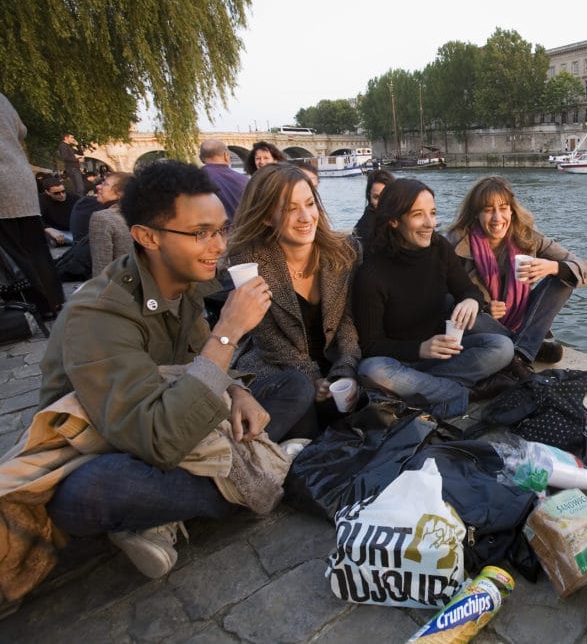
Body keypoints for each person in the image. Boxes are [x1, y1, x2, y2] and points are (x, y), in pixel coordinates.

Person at [39, 159, 315, 579]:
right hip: (124, 446)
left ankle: (167, 509)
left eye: (221, 230)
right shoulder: (96, 314)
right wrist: (229, 331)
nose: (219, 246)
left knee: (293, 386)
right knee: (87, 492)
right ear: (147, 237)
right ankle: (262, 475)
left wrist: (238, 393)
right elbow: (157, 439)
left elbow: (195, 366)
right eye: (200, 234)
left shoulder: (185, 284)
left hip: (184, 423)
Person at [353, 178, 514, 418]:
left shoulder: (439, 247)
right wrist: (420, 349)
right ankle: (464, 393)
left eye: (433, 212)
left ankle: (428, 391)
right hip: (402, 362)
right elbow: (371, 346)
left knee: (502, 346)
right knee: (373, 370)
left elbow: (468, 290)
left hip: (442, 356)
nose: (431, 223)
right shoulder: (372, 275)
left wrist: (471, 301)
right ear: (394, 220)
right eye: (418, 214)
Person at [228, 163, 360, 429]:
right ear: (266, 217)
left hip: (333, 361)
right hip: (279, 366)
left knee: (354, 409)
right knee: (306, 415)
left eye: (310, 204)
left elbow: (347, 320)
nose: (305, 217)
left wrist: (345, 368)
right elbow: (267, 339)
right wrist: (312, 377)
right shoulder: (249, 263)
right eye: (290, 209)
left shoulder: (344, 253)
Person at [448, 175, 587, 376]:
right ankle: (525, 351)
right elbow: (440, 293)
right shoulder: (456, 241)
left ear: (512, 210)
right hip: (481, 322)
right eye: (488, 210)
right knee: (461, 311)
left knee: (563, 280)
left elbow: (586, 269)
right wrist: (483, 306)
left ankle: (518, 354)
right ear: (476, 214)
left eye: (503, 208)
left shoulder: (528, 236)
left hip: (520, 319)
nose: (497, 218)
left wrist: (552, 267)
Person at [0, 92, 64, 318]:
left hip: (2, 186)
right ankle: (55, 301)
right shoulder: (2, 99)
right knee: (36, 247)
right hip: (20, 177)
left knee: (14, 250)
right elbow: (22, 131)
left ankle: (38, 304)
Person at [88, 172, 133, 276]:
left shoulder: (102, 218)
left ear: (120, 193)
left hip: (118, 286)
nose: (98, 186)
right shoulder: (140, 213)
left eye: (105, 184)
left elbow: (101, 268)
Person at [199, 139, 249, 221]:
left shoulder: (194, 179)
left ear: (201, 158)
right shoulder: (244, 180)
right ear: (226, 155)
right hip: (239, 230)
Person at [353, 169, 394, 253]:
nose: (382, 202)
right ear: (370, 197)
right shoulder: (363, 229)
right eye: (376, 197)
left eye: (386, 196)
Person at [37, 176, 81, 245]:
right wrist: (48, 229)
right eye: (56, 193)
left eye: (63, 191)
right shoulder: (41, 200)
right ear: (47, 192)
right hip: (55, 230)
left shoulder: (74, 198)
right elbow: (37, 218)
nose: (62, 195)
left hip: (73, 230)